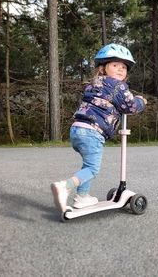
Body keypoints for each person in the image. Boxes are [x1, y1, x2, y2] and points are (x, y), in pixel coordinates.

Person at [51, 43, 147, 214]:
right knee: (92, 169)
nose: (120, 69)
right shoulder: (118, 86)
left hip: (77, 129)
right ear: (103, 68)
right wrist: (141, 101)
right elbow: (130, 106)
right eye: (115, 65)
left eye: (123, 67)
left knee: (87, 165)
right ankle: (65, 187)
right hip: (92, 132)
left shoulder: (93, 83)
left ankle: (82, 197)